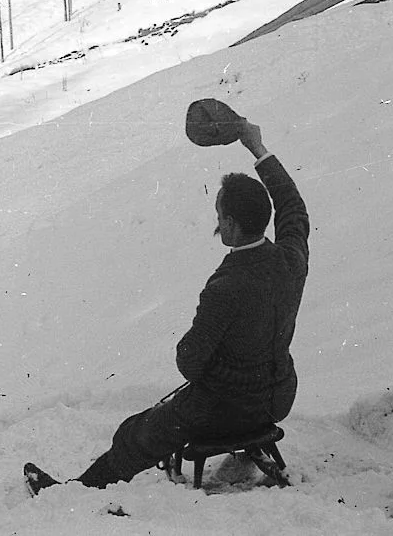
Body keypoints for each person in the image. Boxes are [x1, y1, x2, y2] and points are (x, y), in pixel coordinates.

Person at [24, 115, 309, 494]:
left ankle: (72, 494)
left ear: (234, 225)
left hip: (223, 412)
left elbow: (189, 362)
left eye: (221, 216)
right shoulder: (292, 258)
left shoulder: (226, 286)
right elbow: (293, 205)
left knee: (133, 433)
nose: (218, 223)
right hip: (277, 398)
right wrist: (257, 149)